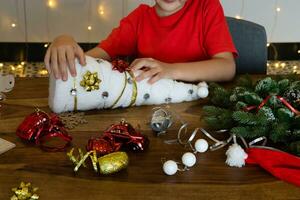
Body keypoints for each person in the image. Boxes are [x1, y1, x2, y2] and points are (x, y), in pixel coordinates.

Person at [44, 0, 237, 84]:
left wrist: (169, 70)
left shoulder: (207, 6)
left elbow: (227, 67)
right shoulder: (139, 19)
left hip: (203, 109)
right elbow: (92, 59)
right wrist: (64, 41)